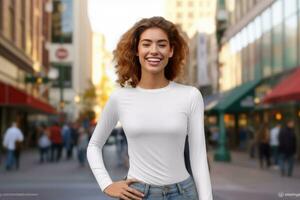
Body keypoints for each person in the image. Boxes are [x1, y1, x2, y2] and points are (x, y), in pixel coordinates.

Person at [87, 16, 212, 200]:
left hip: (183, 193)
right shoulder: (120, 97)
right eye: (146, 44)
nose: (154, 51)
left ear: (171, 51)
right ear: (137, 50)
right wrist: (106, 184)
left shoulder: (190, 96)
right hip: (137, 194)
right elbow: (94, 146)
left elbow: (198, 157)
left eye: (162, 44)